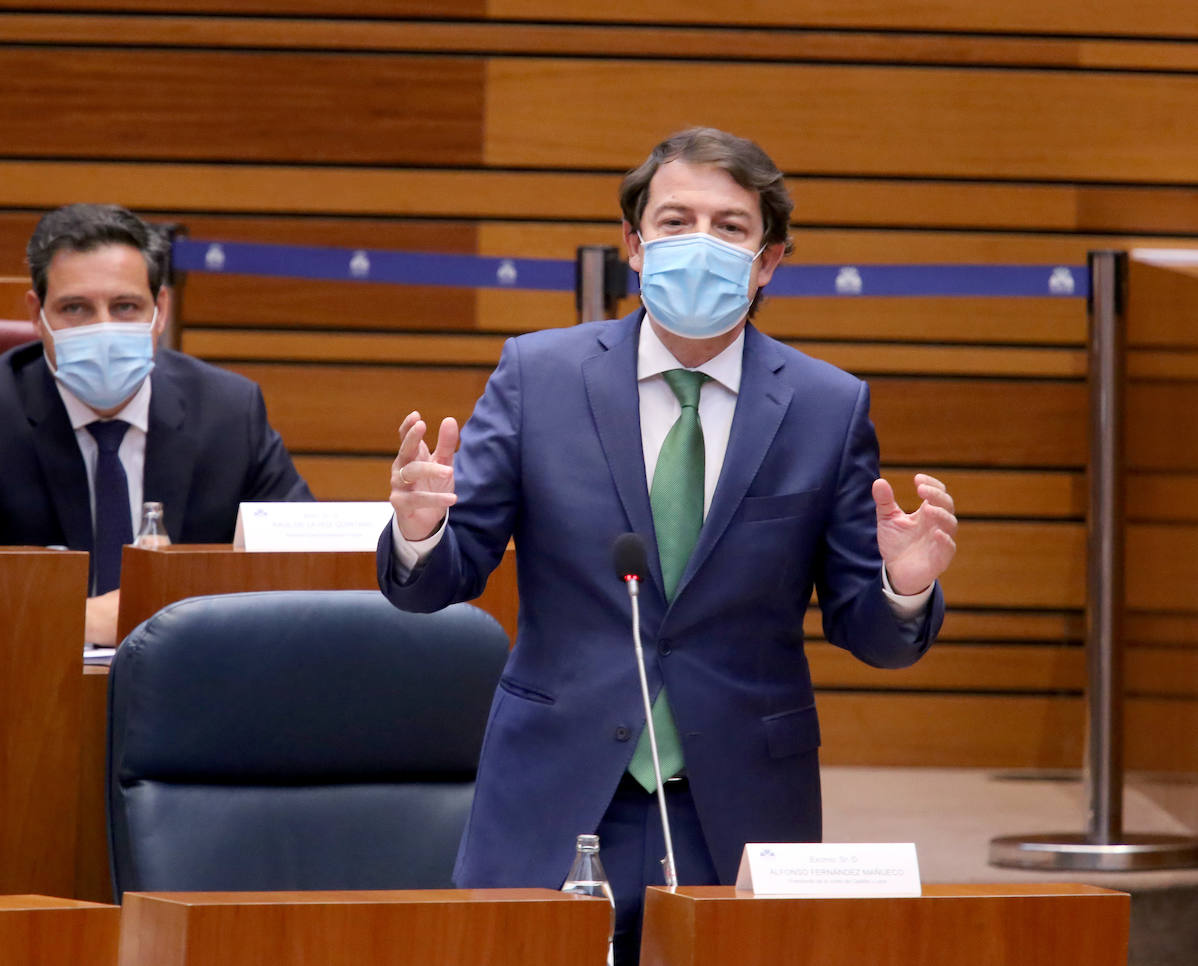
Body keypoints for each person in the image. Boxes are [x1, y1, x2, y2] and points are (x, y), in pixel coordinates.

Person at [376, 128, 956, 966]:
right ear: (634, 246)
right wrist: (422, 530)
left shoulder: (828, 407)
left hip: (741, 804)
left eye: (729, 227)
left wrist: (902, 588)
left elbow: (869, 632)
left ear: (768, 261)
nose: (700, 244)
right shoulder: (538, 376)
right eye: (676, 219)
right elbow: (436, 583)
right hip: (556, 788)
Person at [0, 203, 312, 643]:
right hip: (31, 677)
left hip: (193, 678)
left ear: (160, 309)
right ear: (37, 315)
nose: (103, 328)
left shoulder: (227, 410)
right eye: (76, 308)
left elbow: (308, 563)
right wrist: (78, 617)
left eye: (125, 306)